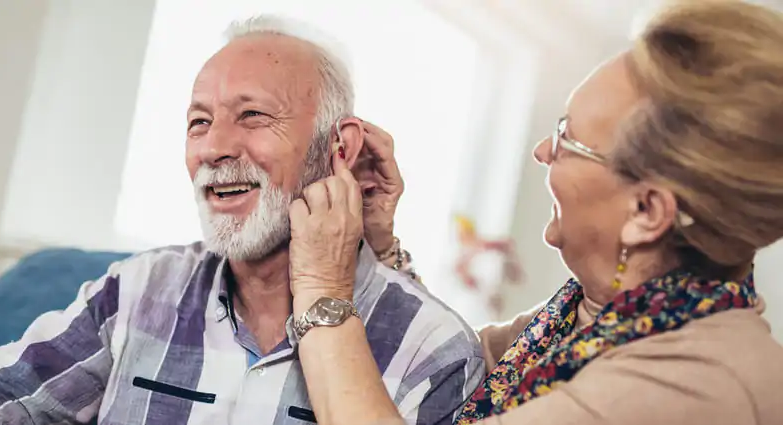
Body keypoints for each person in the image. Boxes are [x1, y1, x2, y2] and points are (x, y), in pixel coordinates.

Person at [0, 16, 485, 425]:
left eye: (253, 115)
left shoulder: (433, 349)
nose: (215, 147)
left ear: (338, 149)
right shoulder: (137, 292)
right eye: (199, 122)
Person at [291, 1, 783, 424]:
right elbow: (447, 369)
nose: (543, 150)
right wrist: (380, 247)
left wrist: (322, 287)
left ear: (646, 211)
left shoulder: (696, 383)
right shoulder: (588, 319)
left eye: (569, 139)